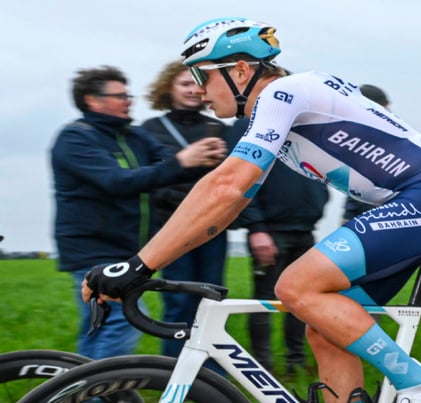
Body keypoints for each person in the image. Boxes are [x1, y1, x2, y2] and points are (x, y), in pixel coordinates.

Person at [80, 18, 421, 403]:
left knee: (296, 285)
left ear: (241, 70)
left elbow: (225, 185)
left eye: (204, 76)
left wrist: (138, 264)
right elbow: (226, 208)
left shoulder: (284, 93)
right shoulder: (271, 113)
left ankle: (418, 385)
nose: (199, 91)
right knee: (324, 327)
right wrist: (145, 263)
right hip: (409, 201)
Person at [52, 65, 225, 360]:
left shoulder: (132, 136)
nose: (129, 101)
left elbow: (165, 166)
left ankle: (82, 391)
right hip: (92, 247)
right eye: (120, 96)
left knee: (100, 322)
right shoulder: (75, 139)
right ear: (93, 101)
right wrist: (182, 162)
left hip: (125, 247)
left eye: (128, 94)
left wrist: (203, 159)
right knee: (122, 319)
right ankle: (102, 397)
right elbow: (116, 181)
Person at [141, 61, 241, 358]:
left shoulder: (218, 128)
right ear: (168, 88)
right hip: (171, 225)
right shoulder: (150, 130)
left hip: (211, 227)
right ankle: (173, 364)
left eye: (197, 84)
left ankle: (210, 366)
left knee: (212, 295)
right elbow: (149, 178)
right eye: (184, 84)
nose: (192, 90)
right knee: (178, 299)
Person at [241, 125, 331, 375]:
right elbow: (244, 181)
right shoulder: (254, 127)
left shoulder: (307, 133)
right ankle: (262, 367)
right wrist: (256, 227)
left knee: (300, 300)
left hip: (305, 229)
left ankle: (296, 362)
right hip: (270, 232)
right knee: (264, 301)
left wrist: (318, 200)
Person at [341, 84, 390, 223]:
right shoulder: (356, 139)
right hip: (365, 219)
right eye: (384, 107)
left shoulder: (390, 140)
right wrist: (348, 217)